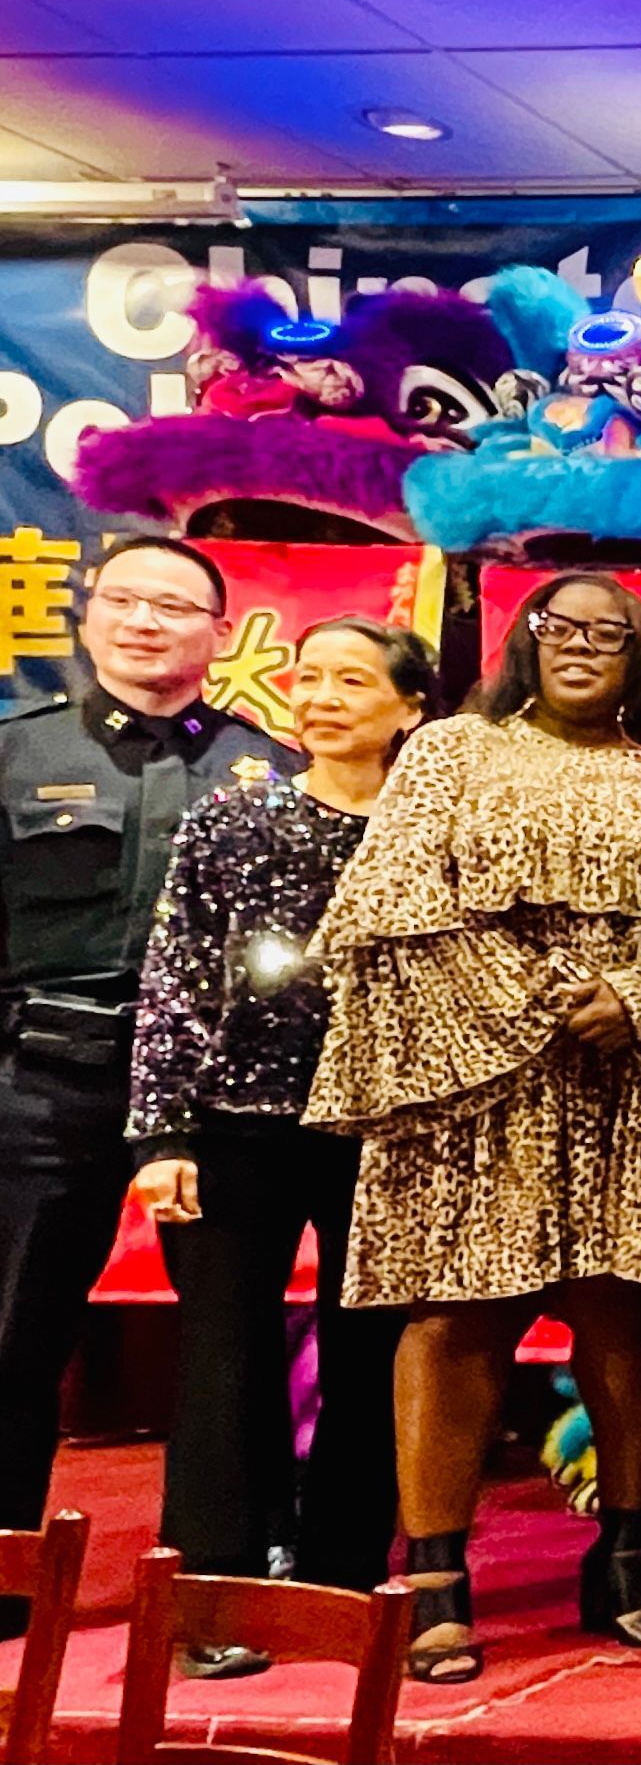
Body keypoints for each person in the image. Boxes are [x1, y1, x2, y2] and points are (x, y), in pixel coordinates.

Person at [303, 574, 641, 1683]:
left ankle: (626, 1554)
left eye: (606, 634)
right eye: (555, 627)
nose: (578, 647)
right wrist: (535, 1009)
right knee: (455, 1318)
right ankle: (435, 1571)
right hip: (465, 1073)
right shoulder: (447, 754)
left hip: (624, 1076)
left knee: (629, 1317)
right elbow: (390, 904)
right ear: (522, 642)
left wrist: (634, 998)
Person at [123, 617, 432, 1676]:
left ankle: (341, 1576)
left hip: (388, 1131)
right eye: (309, 678)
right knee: (225, 1354)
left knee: (370, 1355)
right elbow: (174, 975)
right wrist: (161, 1133)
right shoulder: (235, 815)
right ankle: (213, 1582)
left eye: (355, 679)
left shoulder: (436, 829)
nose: (325, 696)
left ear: (412, 708)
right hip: (239, 1126)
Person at [0, 536, 286, 1640]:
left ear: (221, 632)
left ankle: (218, 1582)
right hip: (46, 1075)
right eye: (124, 600)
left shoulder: (266, 769)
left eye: (175, 606)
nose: (145, 623)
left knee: (229, 1341)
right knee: (16, 1332)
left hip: (211, 1097)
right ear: (88, 617)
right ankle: (8, 1577)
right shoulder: (20, 755)